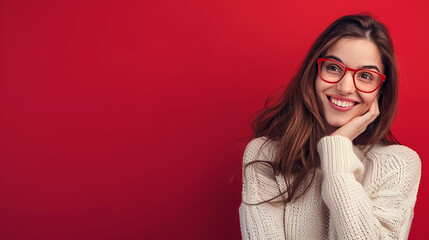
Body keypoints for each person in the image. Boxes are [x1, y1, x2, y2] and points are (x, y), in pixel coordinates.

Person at [238, 14, 421, 240]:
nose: (345, 87)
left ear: (380, 90)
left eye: (365, 76)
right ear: (315, 73)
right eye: (334, 68)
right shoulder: (267, 154)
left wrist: (337, 153)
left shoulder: (398, 164)